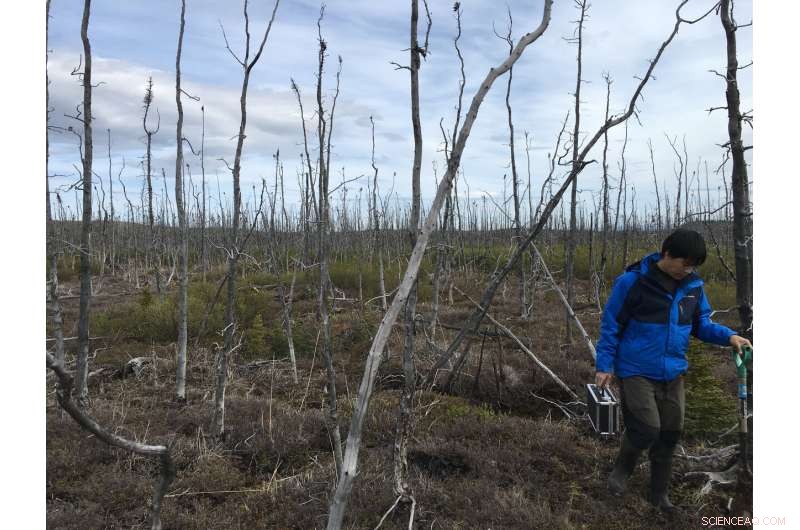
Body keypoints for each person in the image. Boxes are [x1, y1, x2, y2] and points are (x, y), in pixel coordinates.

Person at [594, 229, 751, 512]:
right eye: (685, 263)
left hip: (673, 372)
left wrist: (729, 336)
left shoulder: (692, 287)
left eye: (693, 265)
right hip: (636, 370)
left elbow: (701, 324)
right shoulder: (633, 282)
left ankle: (659, 495)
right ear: (667, 254)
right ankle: (622, 469)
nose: (688, 269)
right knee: (646, 428)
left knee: (669, 433)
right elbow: (611, 325)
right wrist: (604, 365)